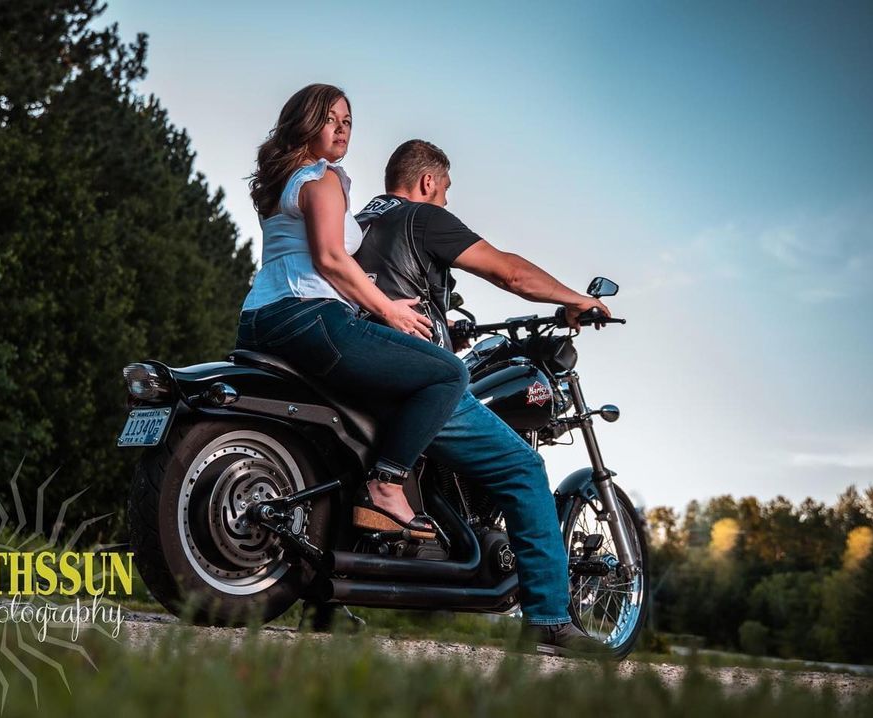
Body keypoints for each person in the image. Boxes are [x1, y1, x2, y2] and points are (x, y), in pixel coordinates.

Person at [352, 139, 611, 655]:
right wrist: (576, 299)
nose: (447, 200)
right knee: (524, 470)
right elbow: (508, 271)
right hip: (411, 375)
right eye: (445, 189)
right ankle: (549, 618)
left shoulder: (357, 221)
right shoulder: (422, 216)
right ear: (428, 181)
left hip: (355, 355)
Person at [234, 87, 469, 540]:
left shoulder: (281, 182)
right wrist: (389, 311)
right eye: (330, 119)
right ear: (305, 123)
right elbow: (330, 259)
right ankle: (387, 484)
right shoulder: (322, 177)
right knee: (447, 373)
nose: (342, 129)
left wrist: (377, 305)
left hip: (260, 319)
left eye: (347, 121)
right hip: (310, 316)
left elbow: (308, 261)